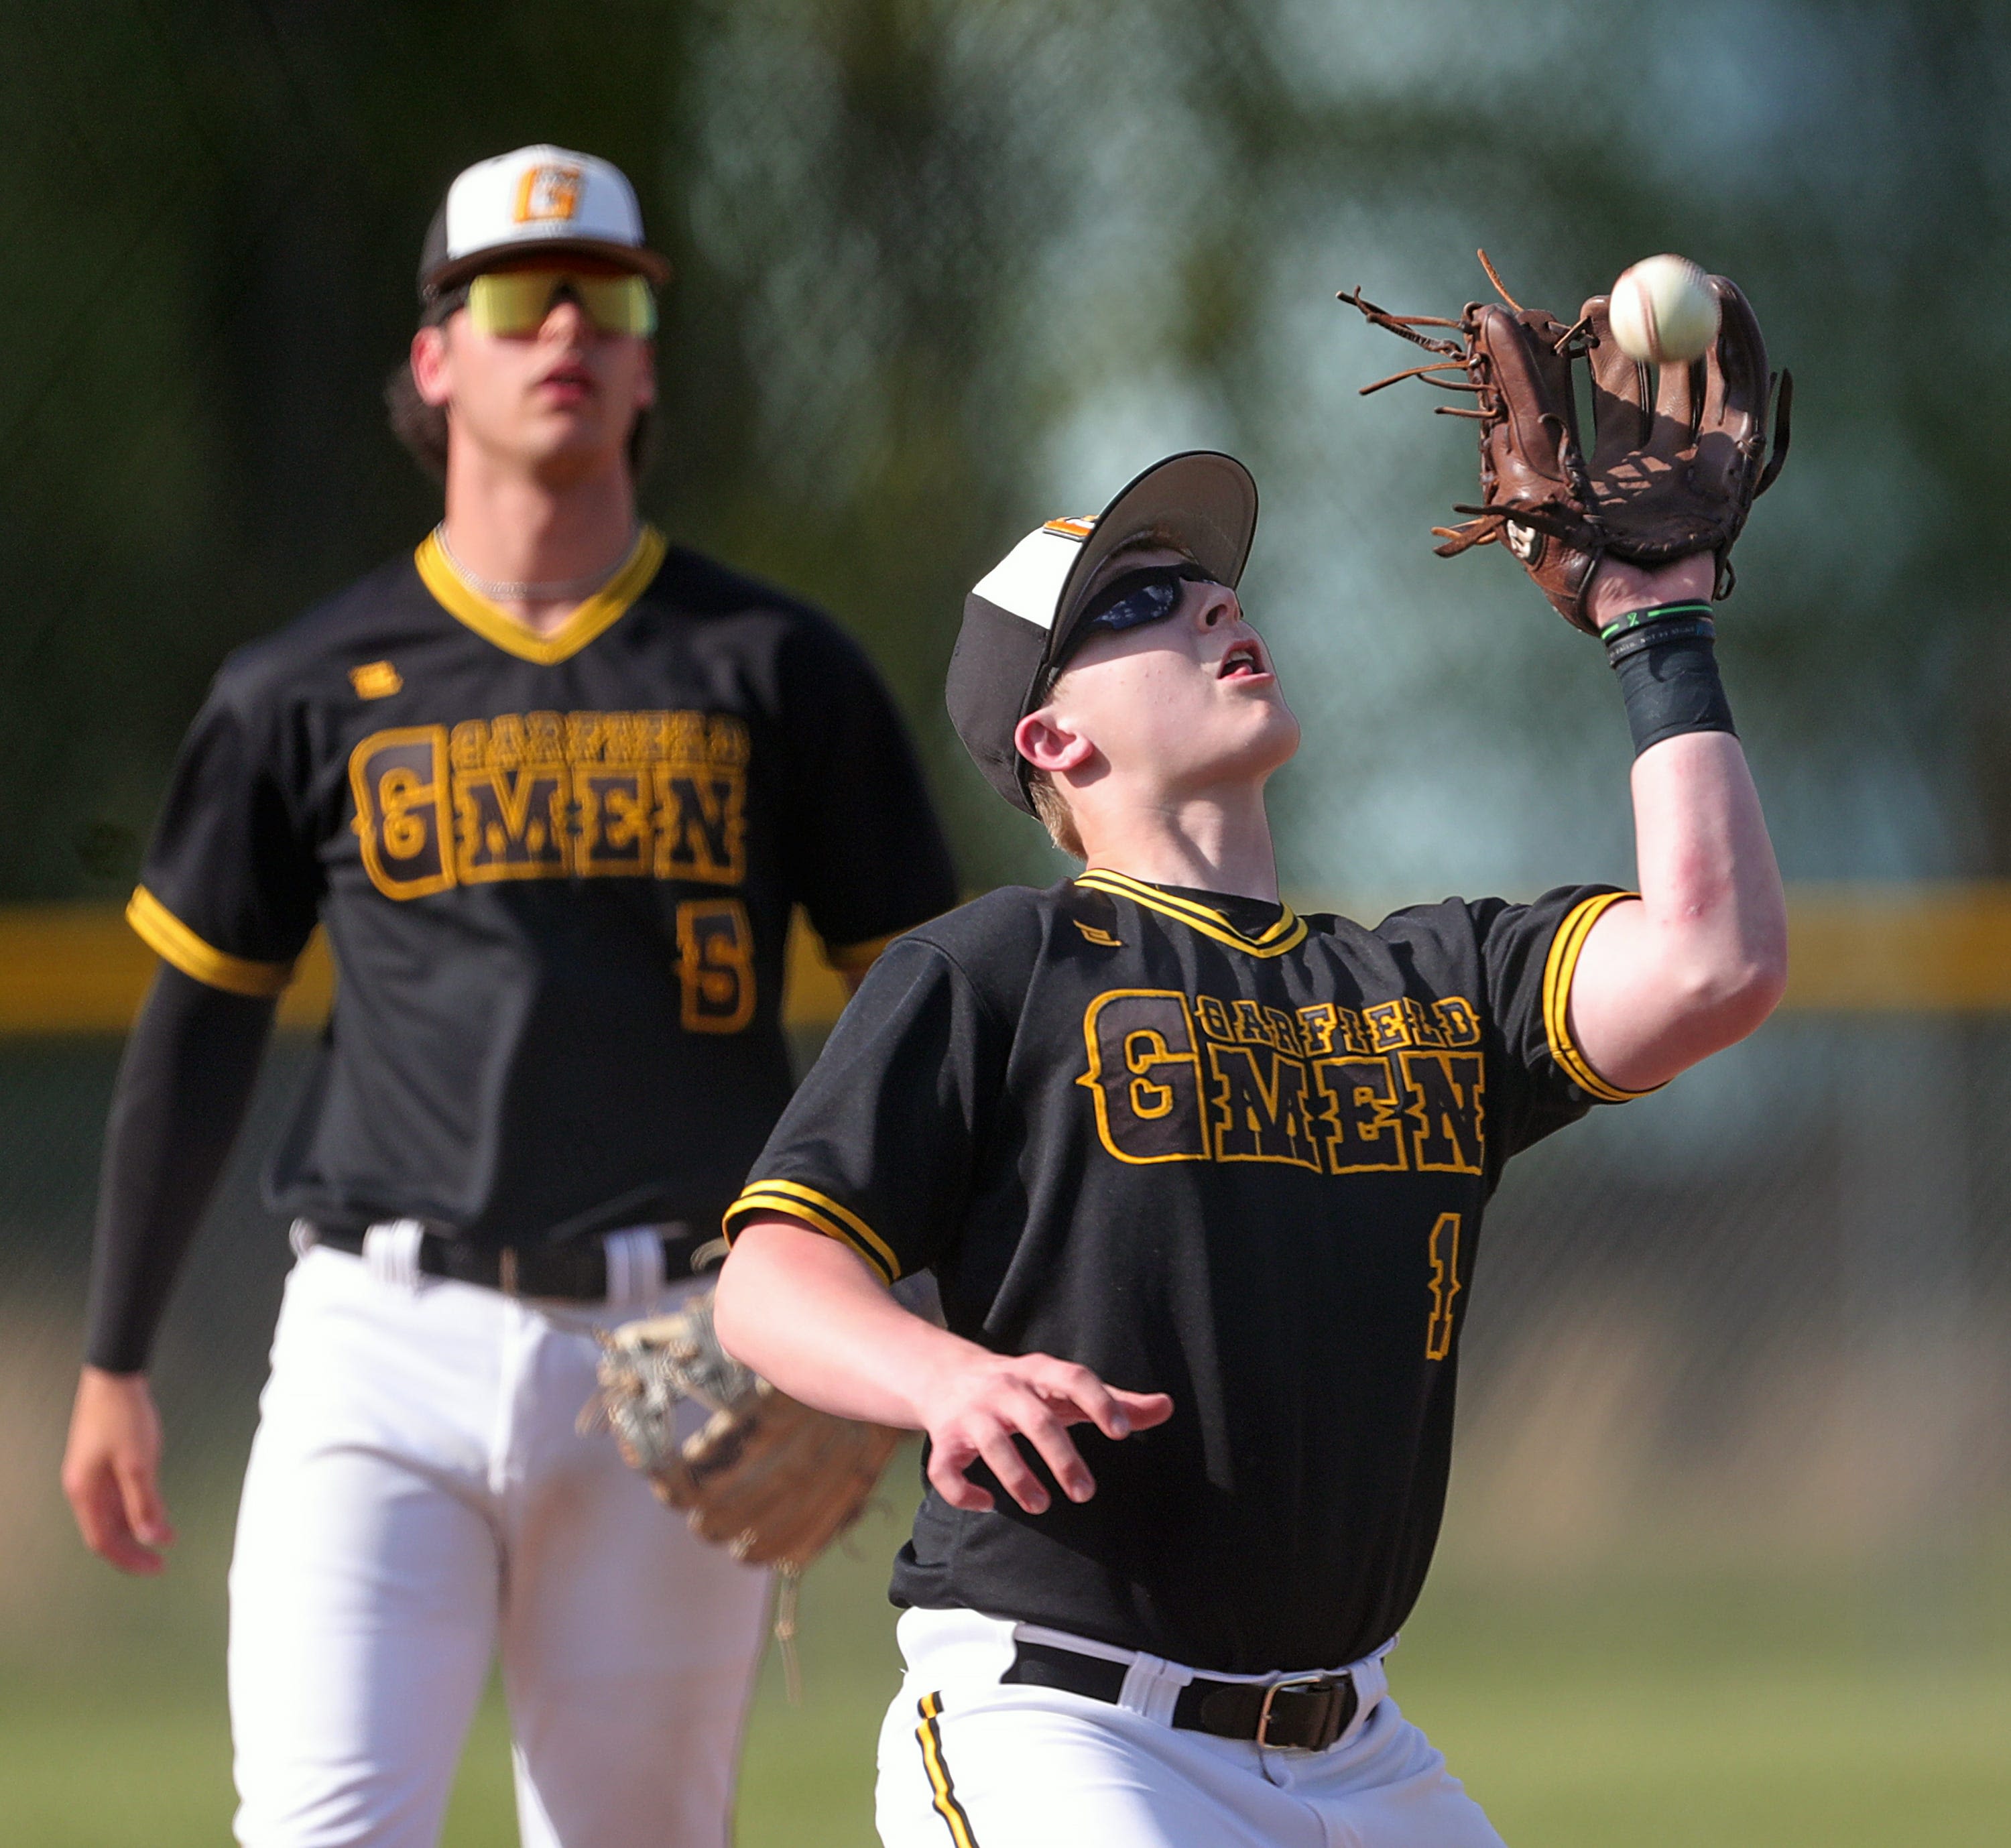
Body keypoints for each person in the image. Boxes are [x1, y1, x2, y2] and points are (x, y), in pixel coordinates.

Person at [60, 143, 957, 1848]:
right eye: (514, 296)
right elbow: (198, 1023)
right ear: (434, 357)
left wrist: (886, 1312)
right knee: (321, 1829)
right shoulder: (300, 687)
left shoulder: (774, 670)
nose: (563, 325)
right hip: (376, 1341)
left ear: (644, 360)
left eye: (606, 297)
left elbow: (929, 1021)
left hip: (683, 1354)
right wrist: (112, 1356)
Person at [711, 446, 1787, 1846]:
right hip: (1067, 1734)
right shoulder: (1002, 967)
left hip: (1361, 1750)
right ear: (1054, 738)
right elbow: (769, 1275)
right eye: (1141, 596)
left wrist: (1661, 624)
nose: (1211, 600)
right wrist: (944, 1377)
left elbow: (1715, 961)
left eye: (1211, 578)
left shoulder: (1432, 980)